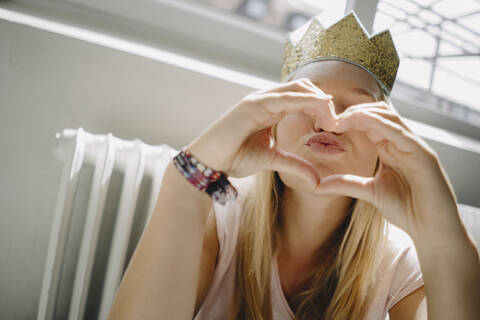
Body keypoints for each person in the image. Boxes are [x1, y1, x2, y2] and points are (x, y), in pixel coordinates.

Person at [108, 11, 480, 320]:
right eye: (307, 101)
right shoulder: (218, 215)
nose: (327, 122)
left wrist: (444, 240)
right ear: (272, 123)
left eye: (357, 109)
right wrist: (186, 178)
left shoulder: (400, 263)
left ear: (383, 148)